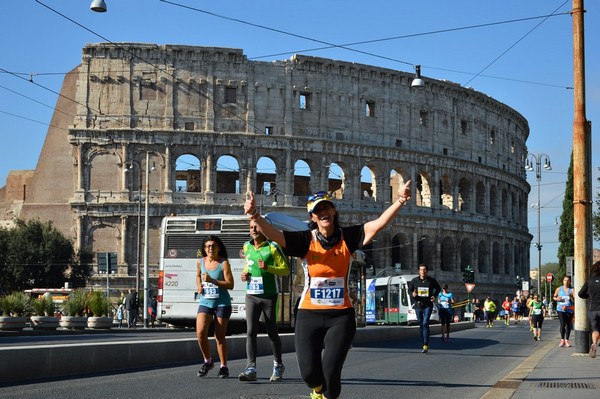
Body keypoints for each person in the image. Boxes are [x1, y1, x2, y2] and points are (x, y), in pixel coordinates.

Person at [244, 180, 412, 399]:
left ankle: (327, 394)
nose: (323, 212)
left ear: (333, 211)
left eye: (326, 207)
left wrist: (400, 200)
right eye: (318, 211)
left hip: (341, 315)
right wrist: (255, 215)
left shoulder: (348, 237)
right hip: (308, 313)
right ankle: (316, 390)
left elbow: (379, 224)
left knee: (331, 372)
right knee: (310, 374)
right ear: (313, 217)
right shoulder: (305, 239)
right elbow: (274, 234)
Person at [238, 220, 290, 383]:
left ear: (263, 229)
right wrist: (244, 274)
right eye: (251, 227)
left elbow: (285, 270)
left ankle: (278, 365)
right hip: (251, 294)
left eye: (256, 227)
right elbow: (248, 265)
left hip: (269, 295)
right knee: (250, 331)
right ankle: (251, 367)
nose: (253, 230)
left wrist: (268, 268)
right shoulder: (247, 246)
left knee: (271, 331)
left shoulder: (273, 246)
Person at [195, 235, 234, 379]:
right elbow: (198, 275)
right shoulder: (201, 262)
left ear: (218, 248)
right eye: (208, 246)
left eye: (213, 246)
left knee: (219, 336)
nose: (210, 248)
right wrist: (199, 285)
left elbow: (230, 284)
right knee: (200, 333)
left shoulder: (224, 263)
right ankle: (208, 361)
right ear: (204, 249)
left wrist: (213, 281)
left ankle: (224, 366)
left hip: (222, 303)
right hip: (205, 301)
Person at [408, 264, 441, 353]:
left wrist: (434, 296)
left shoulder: (431, 280)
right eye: (421, 270)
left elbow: (438, 288)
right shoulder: (414, 281)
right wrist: (412, 294)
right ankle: (424, 343)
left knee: (426, 323)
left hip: (428, 305)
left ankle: (426, 344)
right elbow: (409, 290)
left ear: (427, 271)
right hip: (418, 305)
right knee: (421, 324)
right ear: (419, 271)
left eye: (425, 269)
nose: (423, 271)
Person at [578, 261, 600, 358]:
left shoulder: (589, 281)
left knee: (595, 329)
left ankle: (594, 343)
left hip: (593, 309)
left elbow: (580, 294)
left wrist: (589, 296)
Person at [553, 276, 574, 347]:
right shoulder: (559, 289)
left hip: (569, 309)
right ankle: (562, 339)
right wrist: (557, 299)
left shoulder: (572, 290)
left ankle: (567, 340)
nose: (566, 282)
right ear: (563, 281)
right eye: (565, 280)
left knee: (568, 325)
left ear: (570, 282)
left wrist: (570, 296)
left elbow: (575, 300)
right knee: (562, 323)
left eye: (568, 280)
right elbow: (554, 297)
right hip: (560, 309)